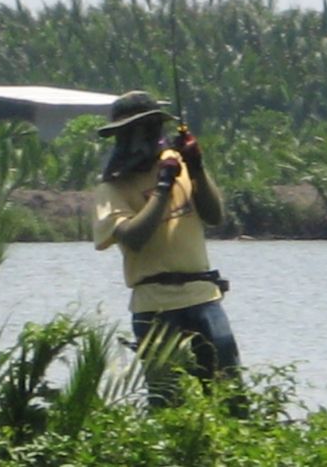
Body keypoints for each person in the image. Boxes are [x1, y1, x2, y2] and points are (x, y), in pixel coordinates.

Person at [91, 90, 241, 406]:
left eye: (150, 129)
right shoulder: (112, 188)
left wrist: (196, 166)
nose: (143, 139)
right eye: (134, 132)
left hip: (202, 297)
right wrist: (162, 187)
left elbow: (215, 217)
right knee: (167, 398)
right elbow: (133, 236)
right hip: (154, 305)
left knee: (227, 386)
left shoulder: (179, 166)